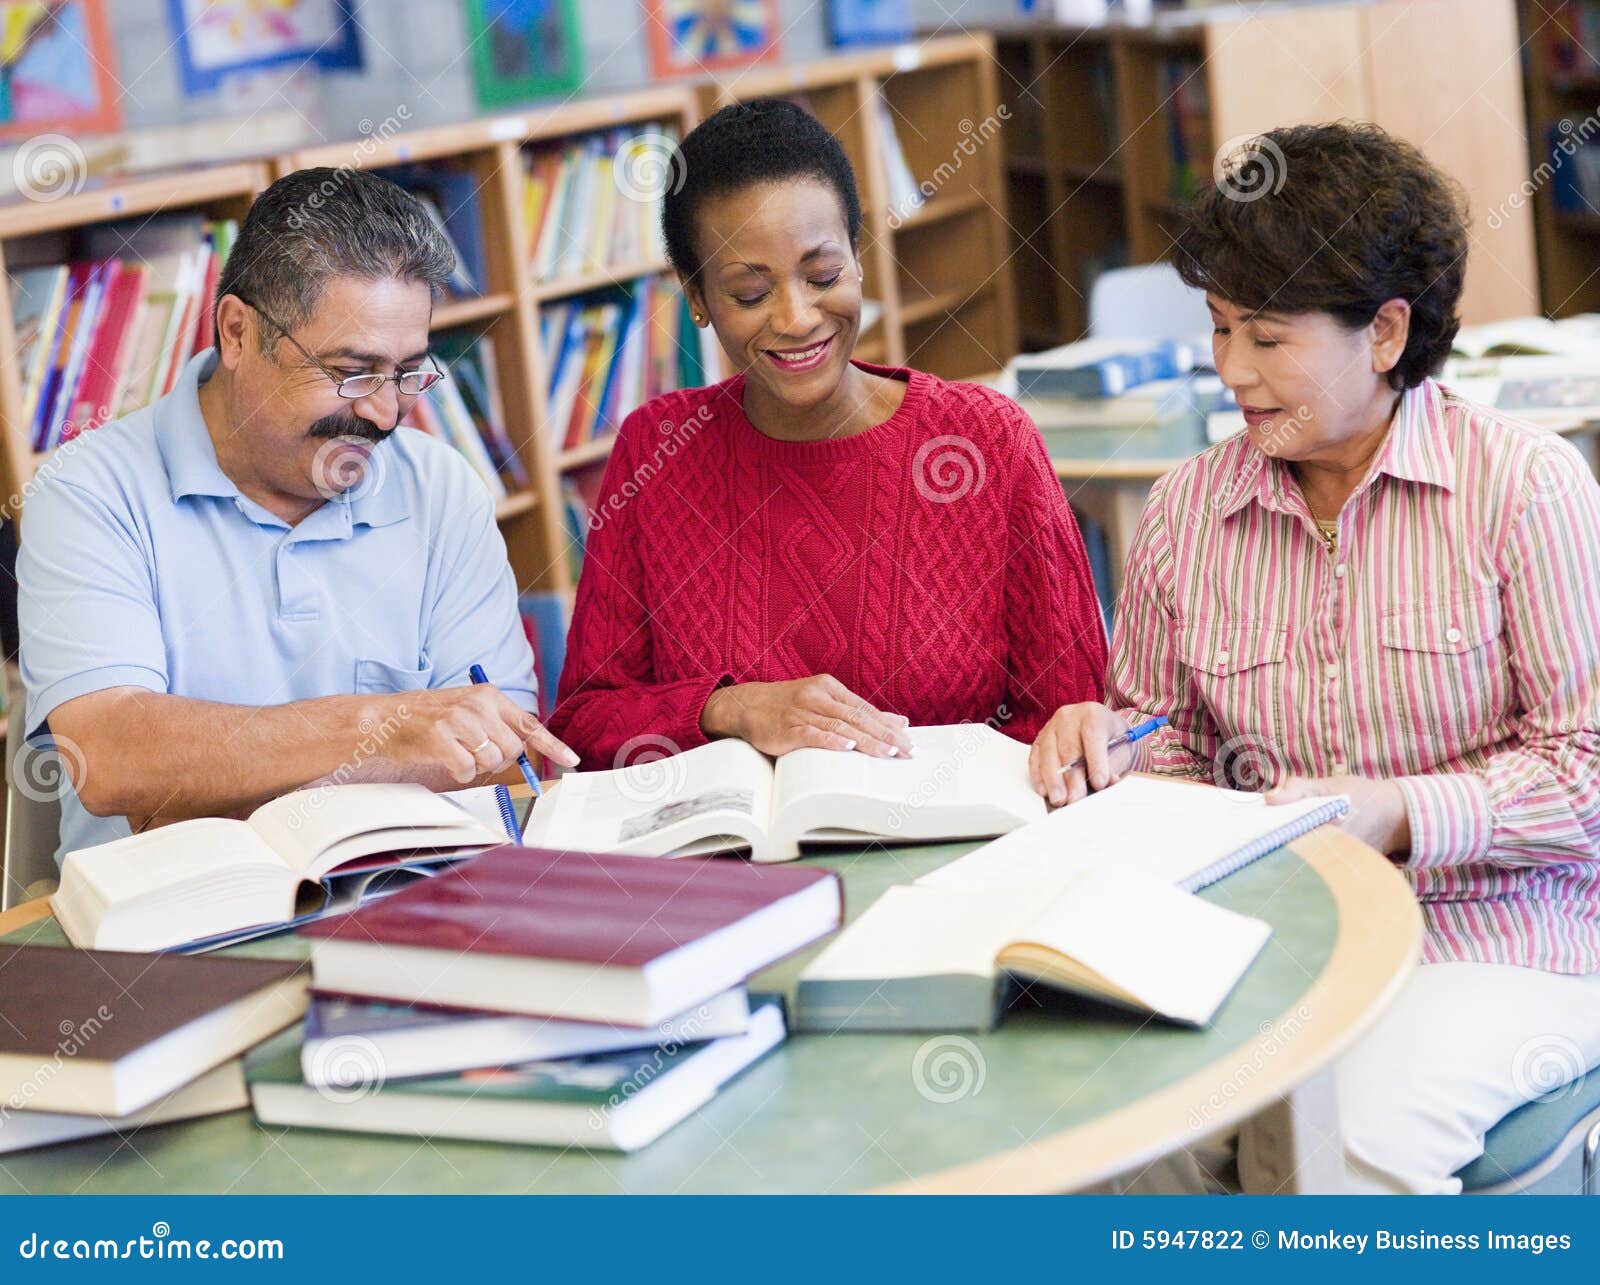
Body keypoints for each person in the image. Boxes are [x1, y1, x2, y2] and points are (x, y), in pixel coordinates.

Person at [1031, 123, 1600, 1193]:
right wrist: (1110, 746)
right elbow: (1172, 747)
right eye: (1219, 330)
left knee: (1338, 1147)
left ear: (1385, 333)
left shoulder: (1526, 490)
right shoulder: (1186, 509)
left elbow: (1587, 772)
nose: (1231, 372)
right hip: (1273, 928)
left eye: (1268, 338)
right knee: (1119, 1132)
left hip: (1502, 933)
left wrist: (1392, 813)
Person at [18, 167, 577, 862]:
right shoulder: (87, 494)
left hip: (404, 885)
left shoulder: (442, 490)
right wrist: (390, 728)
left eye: (408, 373)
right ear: (237, 333)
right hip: (169, 925)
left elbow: (498, 756)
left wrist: (204, 778)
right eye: (352, 371)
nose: (384, 413)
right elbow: (111, 757)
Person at [549, 100, 1106, 769]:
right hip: (740, 863)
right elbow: (584, 721)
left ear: (859, 258)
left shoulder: (988, 441)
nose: (796, 317)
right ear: (695, 297)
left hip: (964, 854)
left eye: (823, 275)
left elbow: (1075, 717)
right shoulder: (657, 450)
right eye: (750, 294)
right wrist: (733, 707)